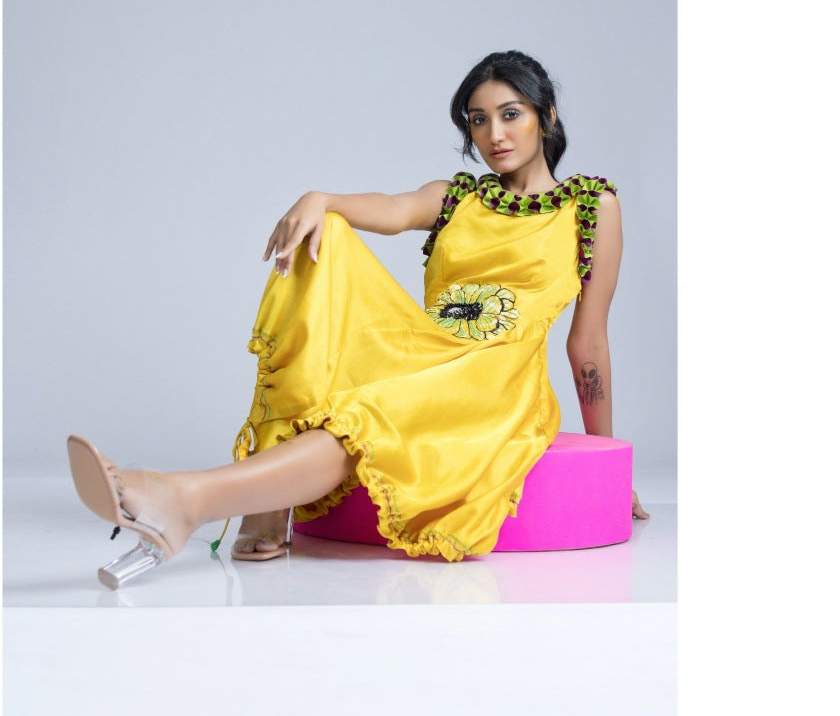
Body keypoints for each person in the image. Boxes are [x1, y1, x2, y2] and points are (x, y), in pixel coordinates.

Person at [67, 50, 650, 590]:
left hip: (495, 380)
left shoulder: (591, 208)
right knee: (329, 233)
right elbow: (392, 209)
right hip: (425, 352)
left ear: (547, 116)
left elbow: (588, 342)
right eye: (478, 120)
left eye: (510, 114)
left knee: (367, 418)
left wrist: (609, 473)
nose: (494, 135)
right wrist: (320, 198)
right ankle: (229, 499)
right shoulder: (457, 198)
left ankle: (182, 498)